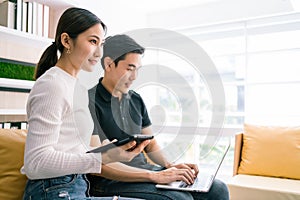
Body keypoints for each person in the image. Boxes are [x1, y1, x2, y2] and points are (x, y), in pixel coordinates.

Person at [21, 8, 150, 200]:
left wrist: (111, 151)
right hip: (53, 189)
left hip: (75, 185)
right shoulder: (52, 85)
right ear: (66, 41)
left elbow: (74, 149)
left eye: (101, 43)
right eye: (92, 41)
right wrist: (101, 158)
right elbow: (36, 162)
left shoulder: (77, 87)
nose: (99, 52)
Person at [87, 34, 230, 200]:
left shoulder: (135, 99)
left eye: (137, 70)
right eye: (129, 68)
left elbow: (150, 144)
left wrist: (171, 166)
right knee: (179, 198)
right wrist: (153, 176)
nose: (134, 77)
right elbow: (98, 165)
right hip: (110, 182)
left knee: (218, 189)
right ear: (109, 64)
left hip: (145, 172)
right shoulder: (88, 102)